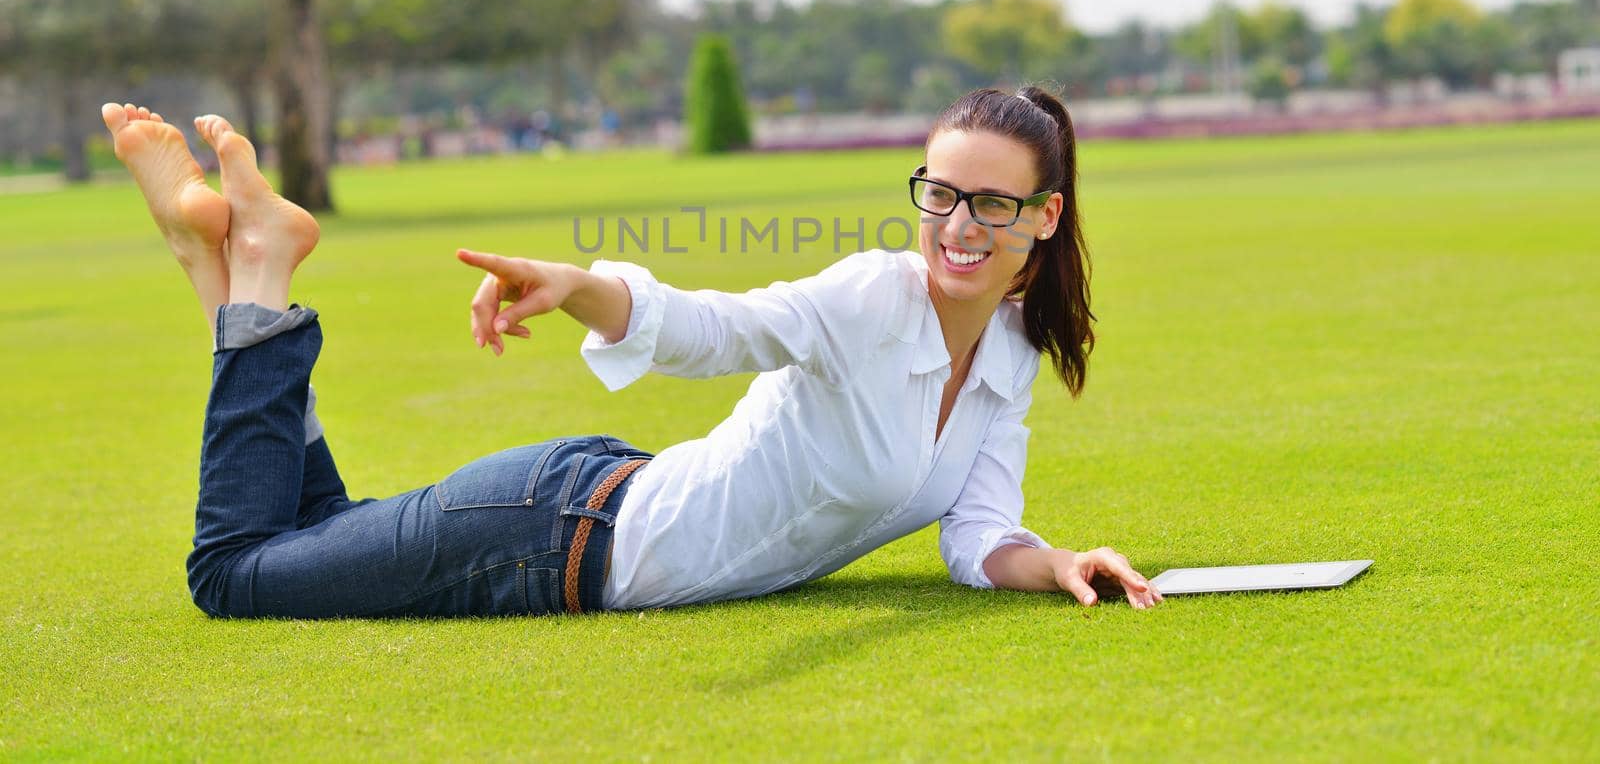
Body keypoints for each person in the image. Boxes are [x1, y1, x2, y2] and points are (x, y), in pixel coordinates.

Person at [100, 85, 1162, 619]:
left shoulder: (1013, 351)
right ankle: (257, 266)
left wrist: (1059, 564)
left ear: (1043, 214)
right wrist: (580, 289)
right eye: (939, 195)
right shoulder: (869, 298)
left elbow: (978, 533)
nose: (956, 227)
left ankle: (218, 264)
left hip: (586, 508)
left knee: (310, 533)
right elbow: (719, 327)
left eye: (989, 203)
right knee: (233, 575)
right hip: (550, 536)